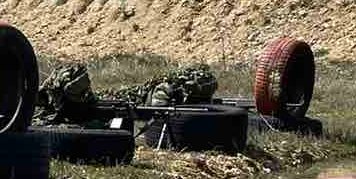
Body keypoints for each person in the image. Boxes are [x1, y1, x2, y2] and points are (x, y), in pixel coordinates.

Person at [33, 61, 220, 125]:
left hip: (125, 98)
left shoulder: (167, 89)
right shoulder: (166, 88)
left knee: (111, 98)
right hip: (123, 98)